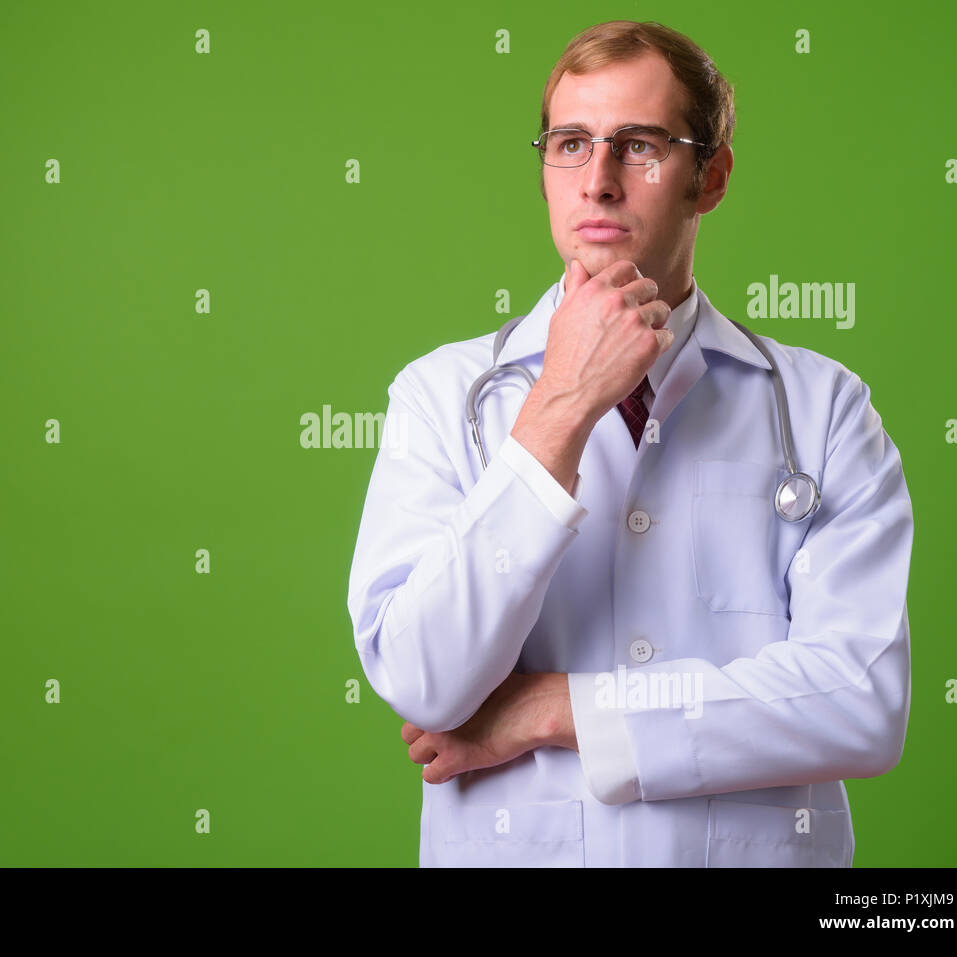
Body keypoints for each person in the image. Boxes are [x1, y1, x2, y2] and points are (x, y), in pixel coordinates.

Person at [346, 19, 913, 867]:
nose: (599, 181)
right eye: (571, 143)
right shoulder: (439, 394)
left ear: (710, 177)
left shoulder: (822, 406)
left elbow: (860, 701)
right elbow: (426, 679)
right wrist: (562, 406)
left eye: (639, 145)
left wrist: (558, 708)